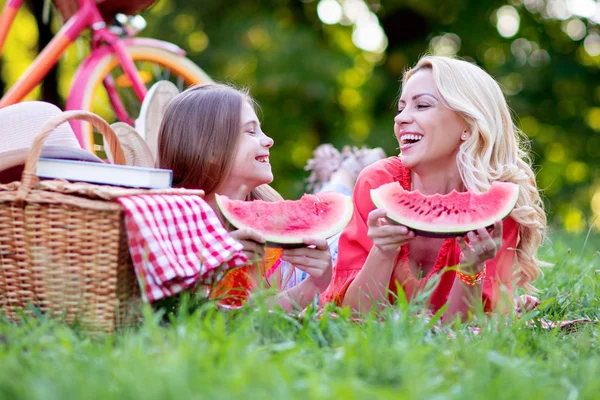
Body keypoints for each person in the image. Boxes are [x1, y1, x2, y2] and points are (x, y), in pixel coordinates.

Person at [321, 55, 548, 321]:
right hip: (331, 252)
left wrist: (472, 268)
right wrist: (383, 251)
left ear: (467, 124)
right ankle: (342, 173)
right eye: (402, 107)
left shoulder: (496, 203)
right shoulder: (378, 182)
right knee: (329, 203)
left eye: (422, 105)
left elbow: (459, 329)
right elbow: (353, 315)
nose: (402, 119)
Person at [156, 83, 332, 310]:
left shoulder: (268, 212)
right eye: (251, 131)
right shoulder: (170, 221)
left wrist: (317, 282)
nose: (269, 140)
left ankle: (342, 174)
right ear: (210, 150)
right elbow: (175, 311)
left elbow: (262, 314)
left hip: (328, 255)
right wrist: (216, 264)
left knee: (339, 198)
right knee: (338, 189)